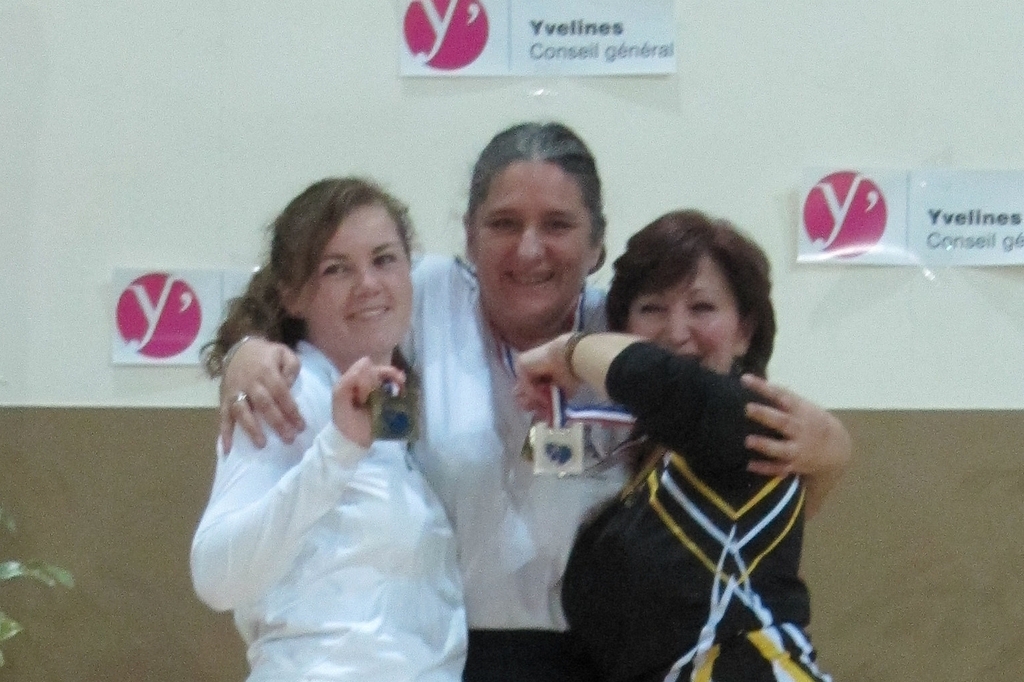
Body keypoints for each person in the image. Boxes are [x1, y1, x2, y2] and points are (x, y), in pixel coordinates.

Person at [215, 123, 850, 682]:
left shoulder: (628, 332)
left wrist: (835, 451)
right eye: (503, 224)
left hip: (612, 658)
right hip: (455, 653)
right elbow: (313, 304)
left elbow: (752, 456)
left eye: (557, 225)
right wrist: (248, 348)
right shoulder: (426, 299)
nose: (528, 249)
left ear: (597, 244)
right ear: (469, 236)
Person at [513, 209, 846, 681]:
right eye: (652, 309)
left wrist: (567, 350)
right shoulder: (647, 473)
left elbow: (654, 379)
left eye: (702, 307)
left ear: (744, 331)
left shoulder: (753, 421)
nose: (676, 332)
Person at [190, 177, 467, 682]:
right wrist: (337, 451)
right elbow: (215, 574)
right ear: (292, 295)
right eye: (336, 269)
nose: (368, 284)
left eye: (384, 259)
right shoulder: (288, 394)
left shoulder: (389, 401)